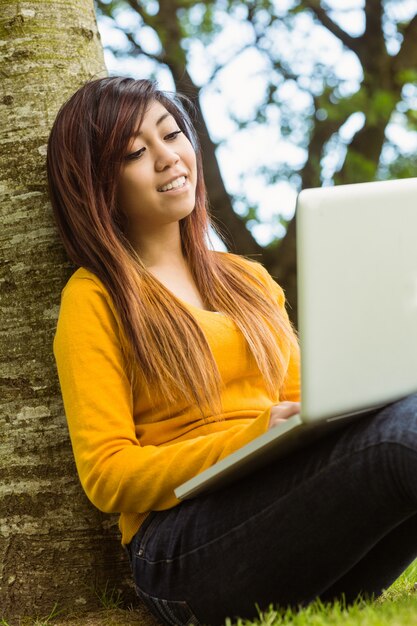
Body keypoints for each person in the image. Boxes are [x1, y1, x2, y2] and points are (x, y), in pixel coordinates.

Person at [47, 76, 417, 626]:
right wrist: (252, 435)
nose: (169, 158)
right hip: (180, 552)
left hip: (286, 505)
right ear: (97, 183)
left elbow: (303, 403)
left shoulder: (248, 279)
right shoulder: (95, 297)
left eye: (173, 134)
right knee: (406, 439)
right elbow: (107, 474)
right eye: (135, 152)